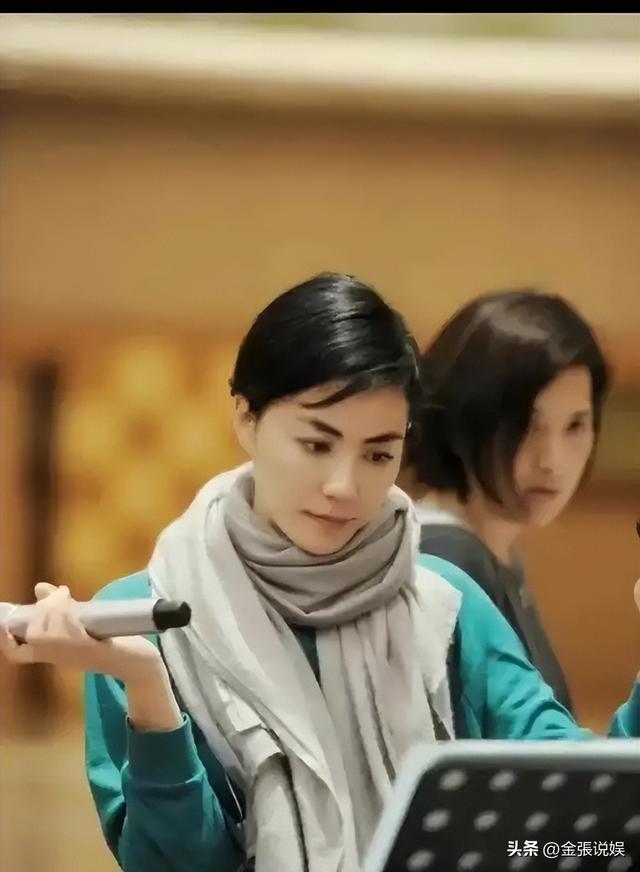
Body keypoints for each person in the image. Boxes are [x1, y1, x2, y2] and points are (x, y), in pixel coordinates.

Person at [1, 274, 637, 872]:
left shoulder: (446, 602)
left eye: (378, 454)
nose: (343, 486)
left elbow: (590, 806)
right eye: (316, 444)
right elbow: (178, 864)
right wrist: (148, 688)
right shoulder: (140, 621)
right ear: (246, 418)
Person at [403, 289, 611, 714]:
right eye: (528, 426)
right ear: (468, 417)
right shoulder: (449, 559)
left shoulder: (493, 555)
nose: (552, 461)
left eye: (575, 425)